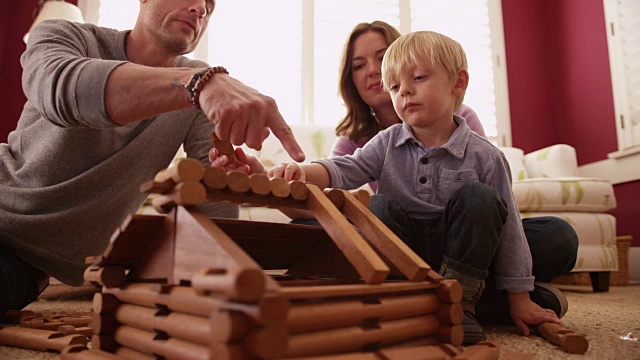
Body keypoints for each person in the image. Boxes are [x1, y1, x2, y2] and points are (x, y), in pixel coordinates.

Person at [260, 30, 566, 345]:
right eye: (394, 86)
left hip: (464, 254)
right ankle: (404, 303)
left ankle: (459, 305)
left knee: (483, 200)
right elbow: (344, 168)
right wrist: (302, 171)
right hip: (406, 253)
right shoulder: (386, 141)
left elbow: (510, 228)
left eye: (418, 78)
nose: (404, 91)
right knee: (377, 206)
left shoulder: (486, 156)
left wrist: (521, 299)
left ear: (458, 83)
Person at [0, 0, 304, 312]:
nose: (200, 8)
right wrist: (196, 84)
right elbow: (64, 91)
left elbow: (212, 206)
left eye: (210, 5)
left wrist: (232, 184)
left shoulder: (199, 91)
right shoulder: (64, 35)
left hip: (24, 268)